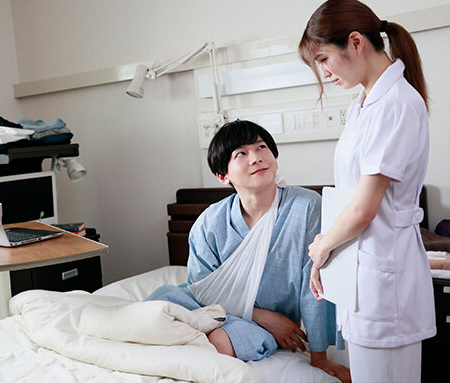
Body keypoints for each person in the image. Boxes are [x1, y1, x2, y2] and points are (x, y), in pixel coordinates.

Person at [146, 119, 350, 382]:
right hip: (220, 311)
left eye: (261, 147)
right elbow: (202, 290)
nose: (256, 158)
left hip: (247, 325)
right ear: (223, 176)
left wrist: (319, 357)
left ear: (274, 158)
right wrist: (264, 317)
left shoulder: (306, 207)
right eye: (241, 153)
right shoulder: (210, 222)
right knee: (157, 308)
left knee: (220, 341)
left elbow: (314, 284)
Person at [299, 0, 436, 383]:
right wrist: (326, 251)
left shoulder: (395, 104)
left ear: (356, 42)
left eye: (324, 58)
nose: (324, 72)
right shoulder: (363, 104)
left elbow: (364, 209)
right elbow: (351, 196)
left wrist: (322, 248)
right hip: (362, 274)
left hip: (385, 284)